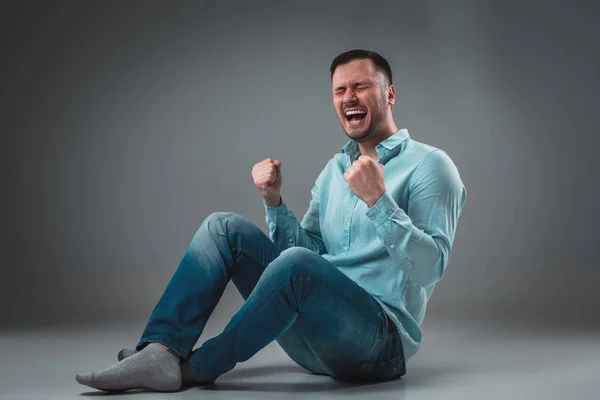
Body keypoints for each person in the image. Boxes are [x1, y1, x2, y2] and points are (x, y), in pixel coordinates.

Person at [75, 49, 467, 392]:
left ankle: (192, 368)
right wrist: (273, 200)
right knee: (222, 227)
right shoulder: (334, 170)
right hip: (315, 342)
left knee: (297, 267)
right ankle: (160, 349)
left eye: (361, 86)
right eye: (340, 90)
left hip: (378, 347)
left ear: (389, 94)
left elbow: (431, 268)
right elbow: (305, 254)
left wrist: (379, 200)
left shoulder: (431, 166)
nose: (349, 97)